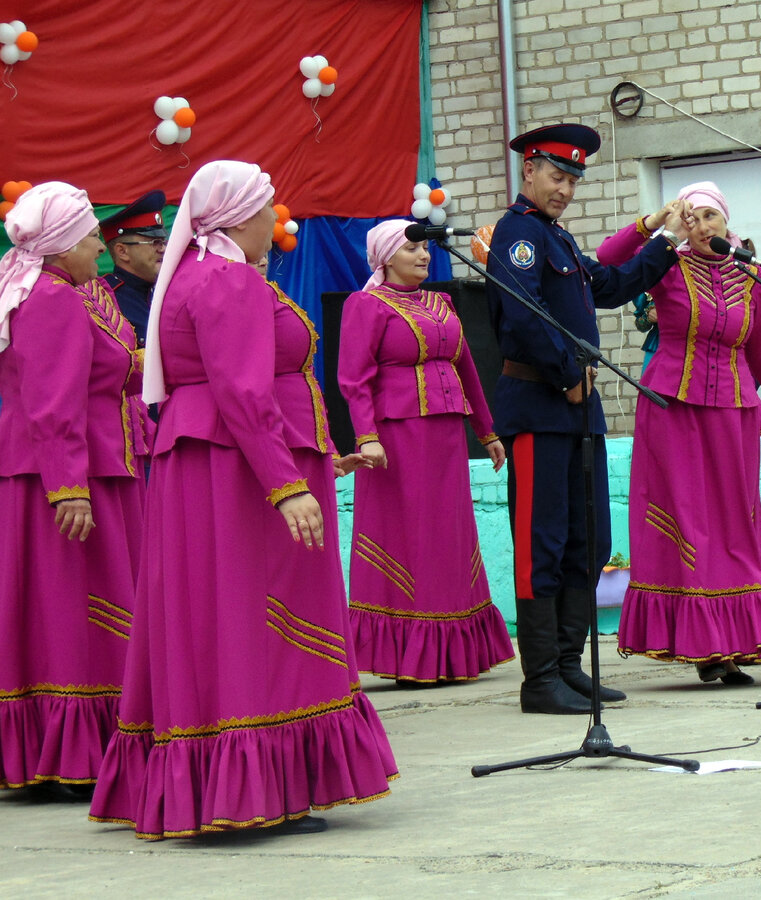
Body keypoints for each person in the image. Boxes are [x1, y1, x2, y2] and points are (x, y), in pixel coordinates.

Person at [89, 160, 397, 839]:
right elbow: (244, 393)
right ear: (238, 215)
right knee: (254, 617)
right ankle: (252, 785)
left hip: (216, 461)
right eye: (268, 208)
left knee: (219, 615)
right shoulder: (226, 279)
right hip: (237, 470)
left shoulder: (204, 273)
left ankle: (231, 782)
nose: (275, 220)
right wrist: (285, 486)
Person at [486, 122, 689, 714]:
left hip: (580, 411)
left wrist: (664, 240)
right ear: (529, 170)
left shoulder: (558, 240)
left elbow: (610, 284)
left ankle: (570, 665)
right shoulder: (518, 234)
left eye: (573, 180)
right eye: (557, 176)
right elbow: (522, 319)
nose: (566, 189)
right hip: (541, 406)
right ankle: (540, 676)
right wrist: (566, 372)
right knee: (539, 542)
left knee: (587, 537)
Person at [599, 182, 761, 684]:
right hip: (670, 409)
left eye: (710, 216)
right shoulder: (665, 263)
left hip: (733, 416)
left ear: (727, 222)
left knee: (736, 522)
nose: (702, 226)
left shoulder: (752, 275)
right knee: (689, 522)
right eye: (693, 217)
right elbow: (607, 263)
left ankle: (734, 641)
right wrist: (656, 225)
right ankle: (706, 649)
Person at [0, 182, 151, 799]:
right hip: (65, 473)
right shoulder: (54, 300)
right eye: (91, 236)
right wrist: (69, 489)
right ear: (63, 245)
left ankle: (50, 748)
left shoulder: (51, 291)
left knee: (54, 608)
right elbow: (54, 402)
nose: (99, 245)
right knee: (74, 609)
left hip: (70, 467)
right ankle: (76, 750)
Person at [338, 219, 514, 686]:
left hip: (446, 435)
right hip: (396, 439)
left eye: (424, 248)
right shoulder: (366, 305)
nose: (423, 255)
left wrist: (487, 430)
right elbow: (353, 379)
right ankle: (409, 657)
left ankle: (452, 652)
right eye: (411, 248)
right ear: (386, 256)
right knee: (409, 535)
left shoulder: (442, 302)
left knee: (447, 534)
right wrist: (366, 436)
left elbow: (467, 367)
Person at [100, 190, 167, 346]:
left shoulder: (168, 290)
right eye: (154, 242)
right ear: (122, 251)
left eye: (163, 242)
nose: (162, 249)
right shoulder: (105, 299)